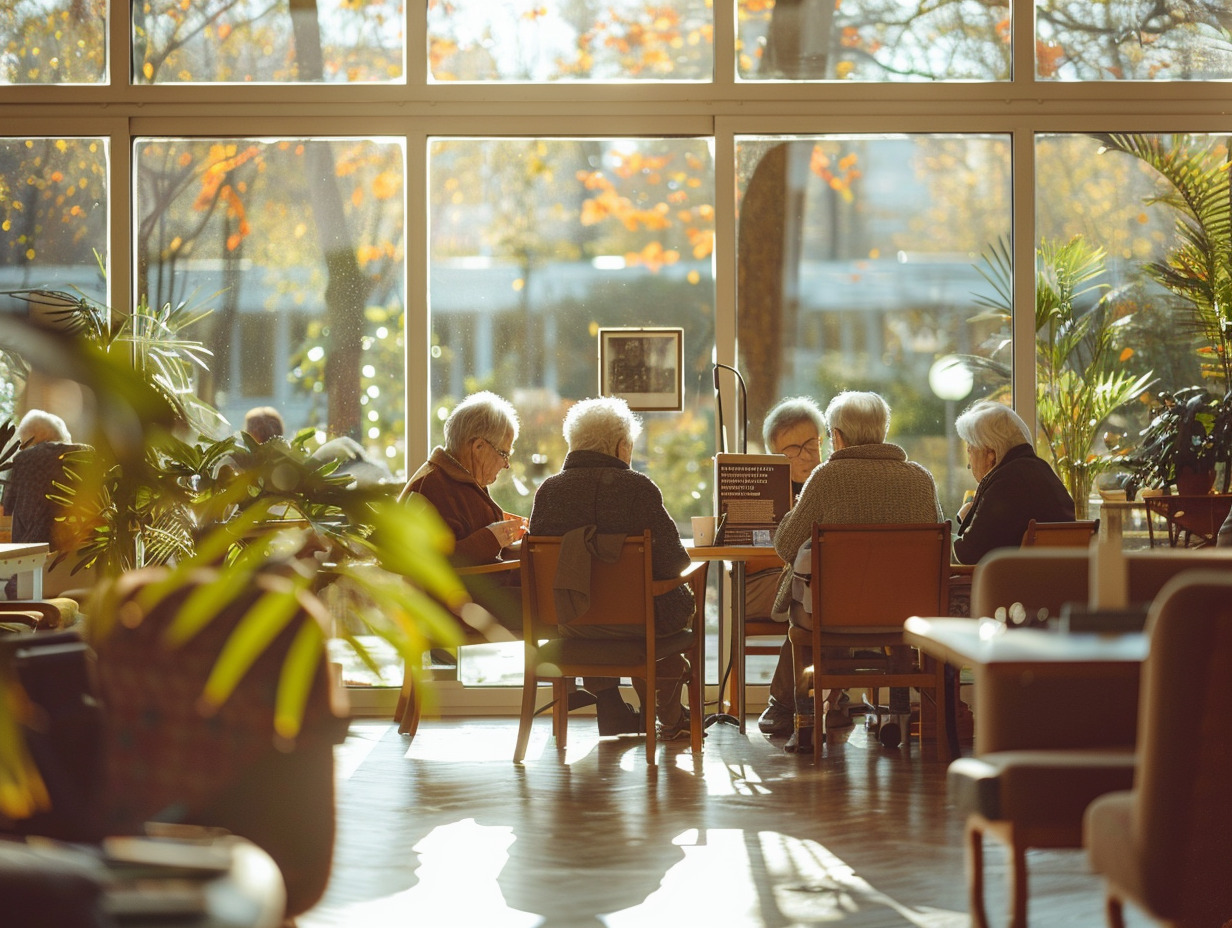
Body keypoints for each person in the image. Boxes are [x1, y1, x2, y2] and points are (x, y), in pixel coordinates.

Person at [770, 391, 943, 752]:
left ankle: (806, 723)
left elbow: (786, 545)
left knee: (801, 610)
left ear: (837, 436)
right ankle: (897, 717)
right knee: (894, 609)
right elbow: (943, 550)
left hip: (833, 615)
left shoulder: (826, 478)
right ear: (883, 431)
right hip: (905, 615)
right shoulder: (921, 479)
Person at [528, 396, 695, 741]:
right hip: (637, 628)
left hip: (572, 625)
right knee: (671, 604)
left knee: (605, 605)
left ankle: (610, 703)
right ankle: (667, 713)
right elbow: (675, 562)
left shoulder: (549, 492)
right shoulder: (638, 488)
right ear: (622, 446)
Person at [399, 391, 526, 632]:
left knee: (552, 590)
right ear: (478, 446)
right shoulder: (431, 486)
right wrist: (492, 537)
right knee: (553, 603)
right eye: (504, 454)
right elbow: (433, 564)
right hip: (452, 605)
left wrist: (506, 535)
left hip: (475, 592)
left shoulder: (459, 480)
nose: (507, 465)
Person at [748, 396, 827, 736]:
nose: (806, 455)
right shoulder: (761, 488)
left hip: (810, 584)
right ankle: (799, 703)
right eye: (792, 449)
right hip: (760, 579)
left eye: (811, 443)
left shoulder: (834, 484)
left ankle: (795, 705)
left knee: (817, 597)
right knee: (812, 595)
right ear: (774, 455)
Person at [951, 400, 1075, 565]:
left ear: (991, 453)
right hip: (1058, 580)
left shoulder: (1006, 483)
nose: (969, 464)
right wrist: (972, 518)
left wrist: (944, 539)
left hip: (1019, 585)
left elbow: (968, 554)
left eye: (970, 450)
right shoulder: (1040, 469)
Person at [1, 410, 94, 598]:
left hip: (32, 572)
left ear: (30, 437)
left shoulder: (22, 460)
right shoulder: (88, 455)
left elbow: (5, 511)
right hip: (85, 571)